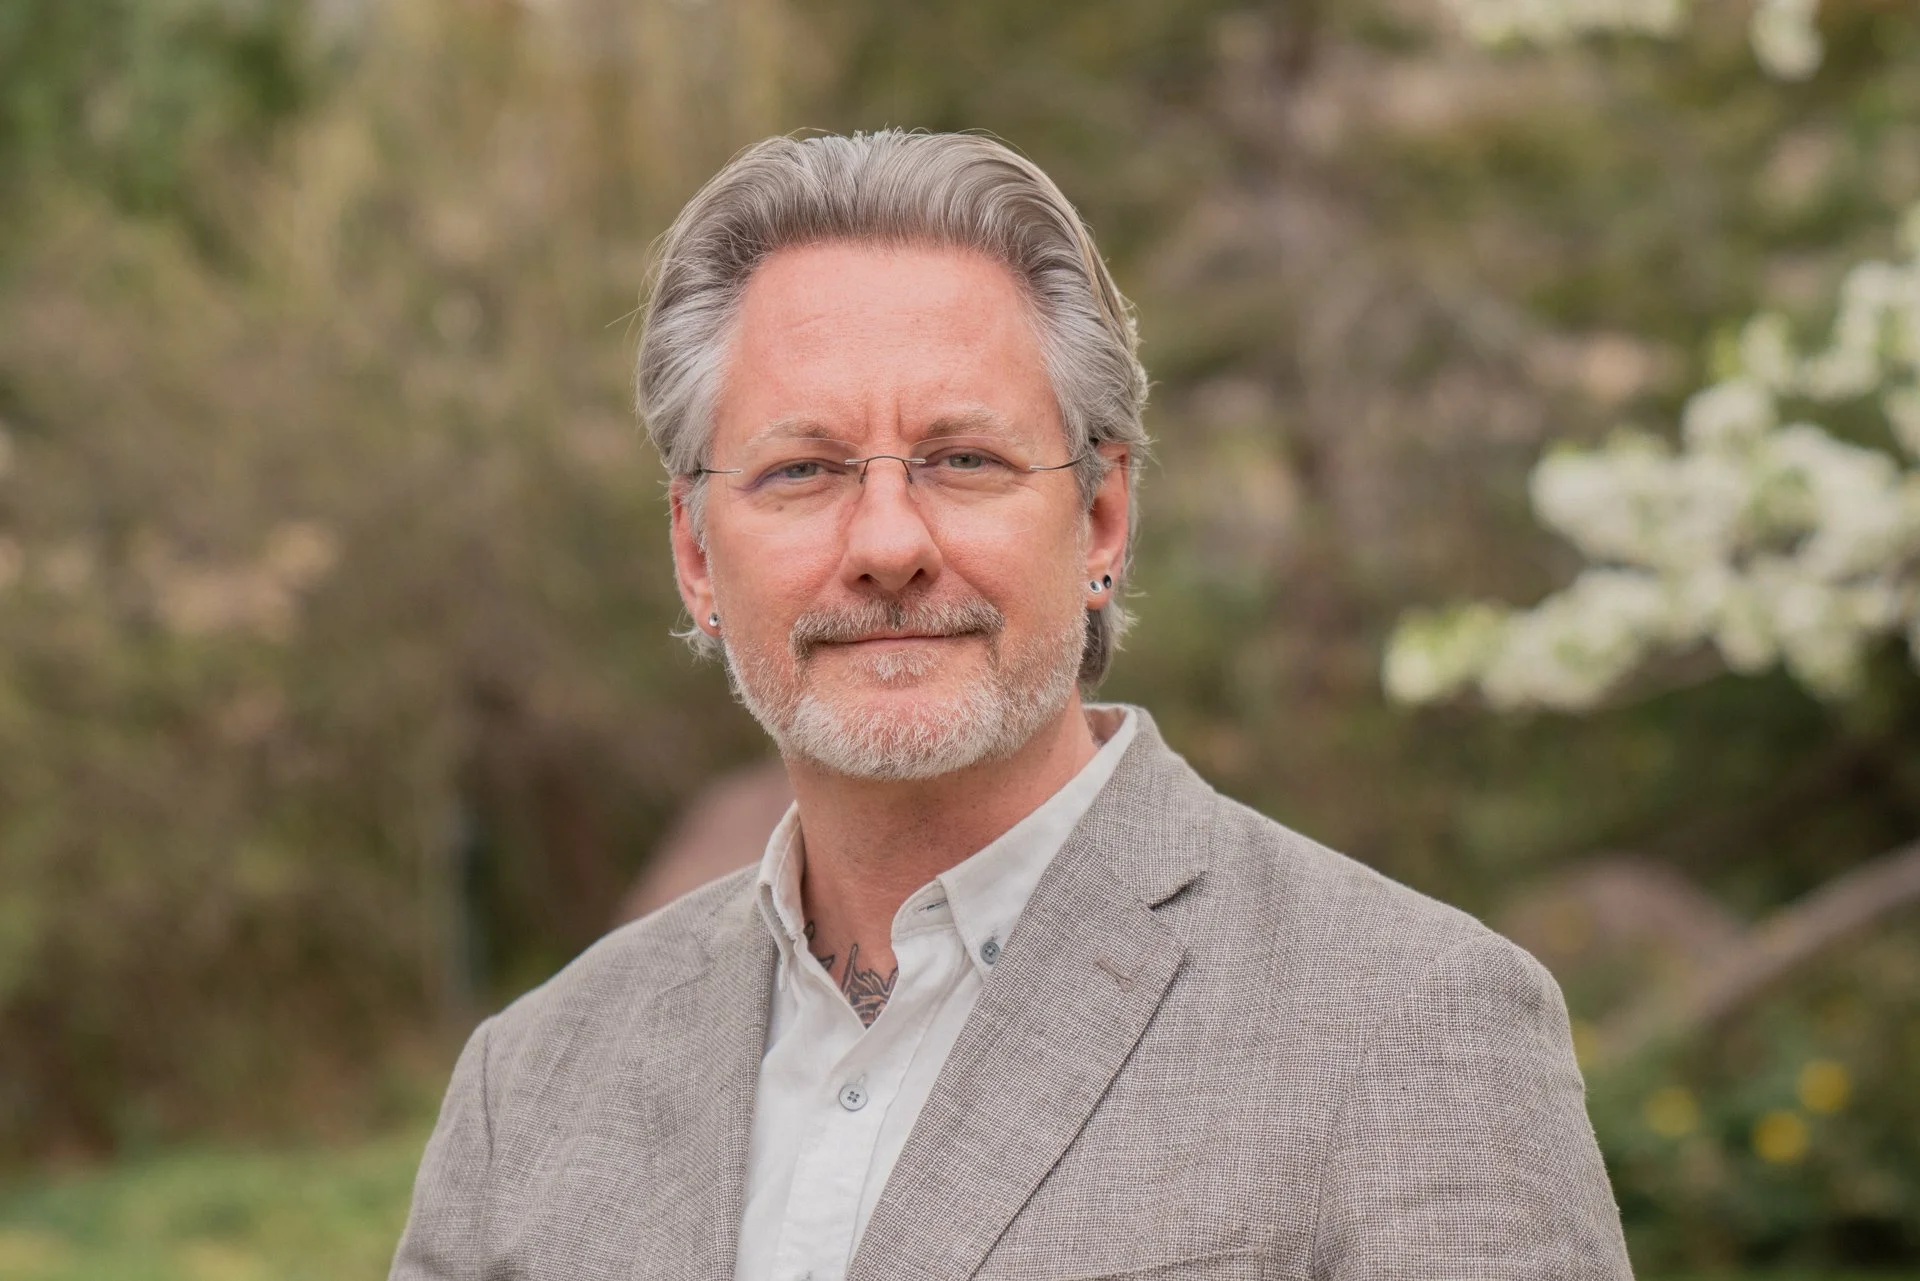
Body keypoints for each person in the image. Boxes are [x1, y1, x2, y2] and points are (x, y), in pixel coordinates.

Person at [390, 130, 1633, 1281]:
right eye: (803, 469)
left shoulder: (1412, 1022)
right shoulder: (528, 1088)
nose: (888, 544)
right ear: (696, 553)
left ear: (1103, 517)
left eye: (964, 460)